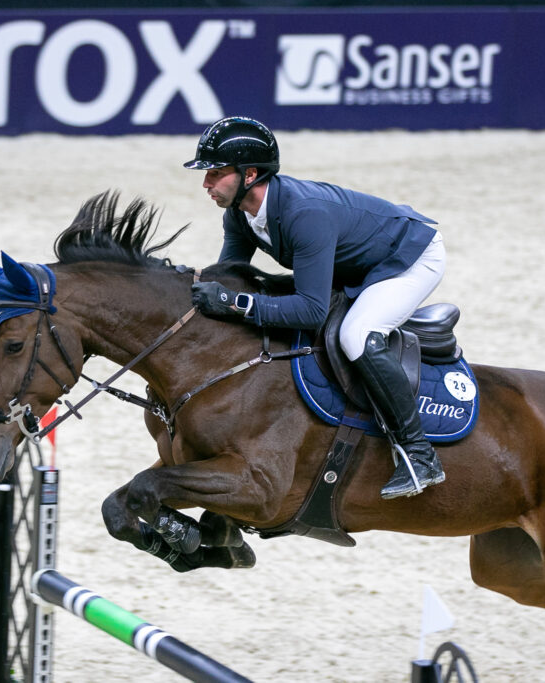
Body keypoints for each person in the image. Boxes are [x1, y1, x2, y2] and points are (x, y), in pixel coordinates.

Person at [185, 116, 447, 500]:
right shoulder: (239, 214)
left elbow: (310, 311)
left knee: (356, 335)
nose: (206, 183)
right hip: (354, 264)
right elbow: (231, 278)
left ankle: (419, 455)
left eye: (215, 173)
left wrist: (237, 303)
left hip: (408, 258)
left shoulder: (304, 215)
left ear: (250, 174)